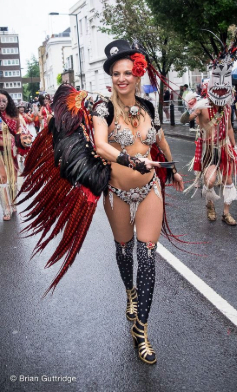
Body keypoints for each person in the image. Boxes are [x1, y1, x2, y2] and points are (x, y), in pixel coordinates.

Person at [18, 40, 184, 365]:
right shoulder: (102, 109)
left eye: (127, 73)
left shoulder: (148, 108)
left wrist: (173, 168)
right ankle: (130, 294)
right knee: (124, 249)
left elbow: (159, 137)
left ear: (137, 75)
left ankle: (142, 329)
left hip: (150, 190)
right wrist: (131, 160)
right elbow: (102, 145)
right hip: (118, 193)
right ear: (111, 78)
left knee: (147, 256)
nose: (122, 79)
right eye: (115, 73)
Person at [187, 35, 237, 226]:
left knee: (228, 180)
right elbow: (187, 119)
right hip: (209, 150)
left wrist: (235, 147)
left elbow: (229, 129)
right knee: (209, 181)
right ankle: (210, 205)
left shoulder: (227, 108)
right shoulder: (202, 106)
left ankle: (226, 213)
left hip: (225, 147)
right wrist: (190, 108)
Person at [0, 90, 20, 220]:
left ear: (9, 102)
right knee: (2, 177)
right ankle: (6, 208)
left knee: (13, 178)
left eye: (4, 101)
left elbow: (18, 132)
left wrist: (18, 145)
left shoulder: (14, 116)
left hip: (11, 150)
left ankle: (13, 202)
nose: (1, 104)